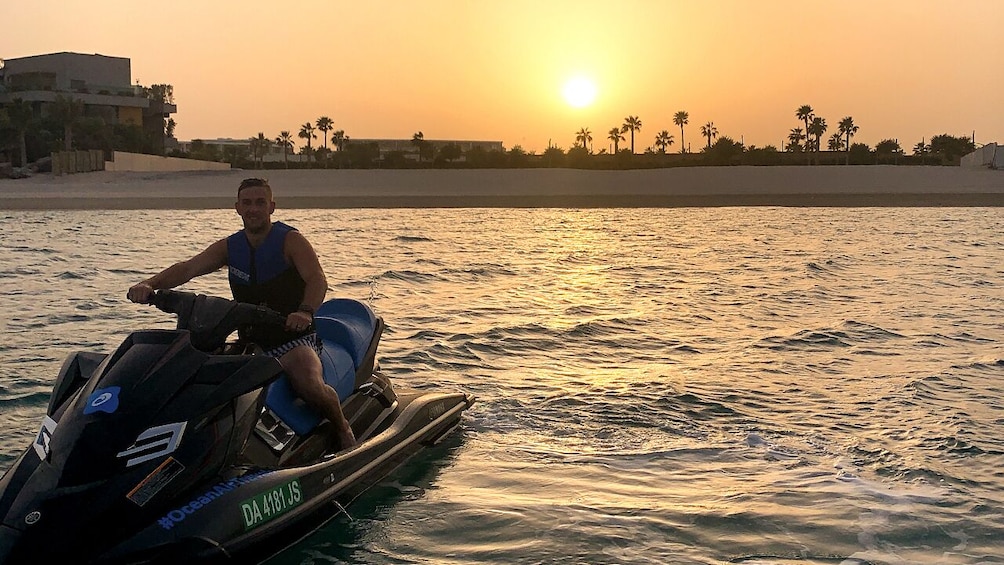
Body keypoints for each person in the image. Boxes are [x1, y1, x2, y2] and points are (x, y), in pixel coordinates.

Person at [127, 177, 356, 449]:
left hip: (293, 339)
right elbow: (188, 268)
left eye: (260, 203)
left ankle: (343, 430)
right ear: (237, 208)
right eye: (247, 203)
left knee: (308, 384)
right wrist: (149, 284)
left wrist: (305, 312)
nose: (253, 209)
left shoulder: (290, 240)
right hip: (250, 342)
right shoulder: (230, 247)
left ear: (271, 207)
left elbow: (317, 279)